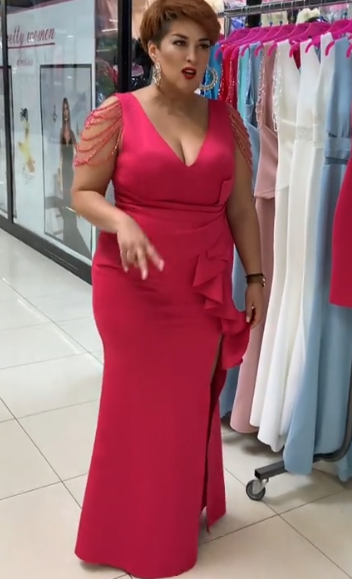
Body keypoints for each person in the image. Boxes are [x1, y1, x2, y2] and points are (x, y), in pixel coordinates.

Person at [71, 0, 264, 577]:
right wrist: (121, 221)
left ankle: (172, 520)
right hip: (131, 287)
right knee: (133, 406)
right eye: (180, 43)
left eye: (203, 46)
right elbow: (82, 193)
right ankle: (118, 530)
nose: (193, 57)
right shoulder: (117, 113)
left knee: (184, 407)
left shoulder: (226, 119)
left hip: (201, 288)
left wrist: (256, 277)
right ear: (153, 49)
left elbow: (242, 211)